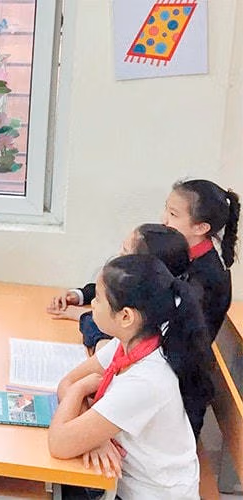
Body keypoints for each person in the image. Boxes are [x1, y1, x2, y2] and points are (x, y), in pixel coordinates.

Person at [48, 254, 213, 499]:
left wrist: (80, 391)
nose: (92, 303)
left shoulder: (146, 381)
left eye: (99, 299)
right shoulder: (128, 343)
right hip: (123, 482)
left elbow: (59, 443)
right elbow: (67, 381)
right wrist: (95, 438)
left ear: (126, 316)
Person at [47, 224, 190, 352]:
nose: (118, 256)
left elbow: (102, 334)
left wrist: (81, 315)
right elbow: (110, 289)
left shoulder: (151, 325)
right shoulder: (162, 291)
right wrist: (79, 295)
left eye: (125, 252)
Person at [162, 179, 239, 341]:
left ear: (201, 227)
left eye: (173, 214)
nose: (164, 220)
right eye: (166, 209)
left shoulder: (207, 276)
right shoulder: (179, 253)